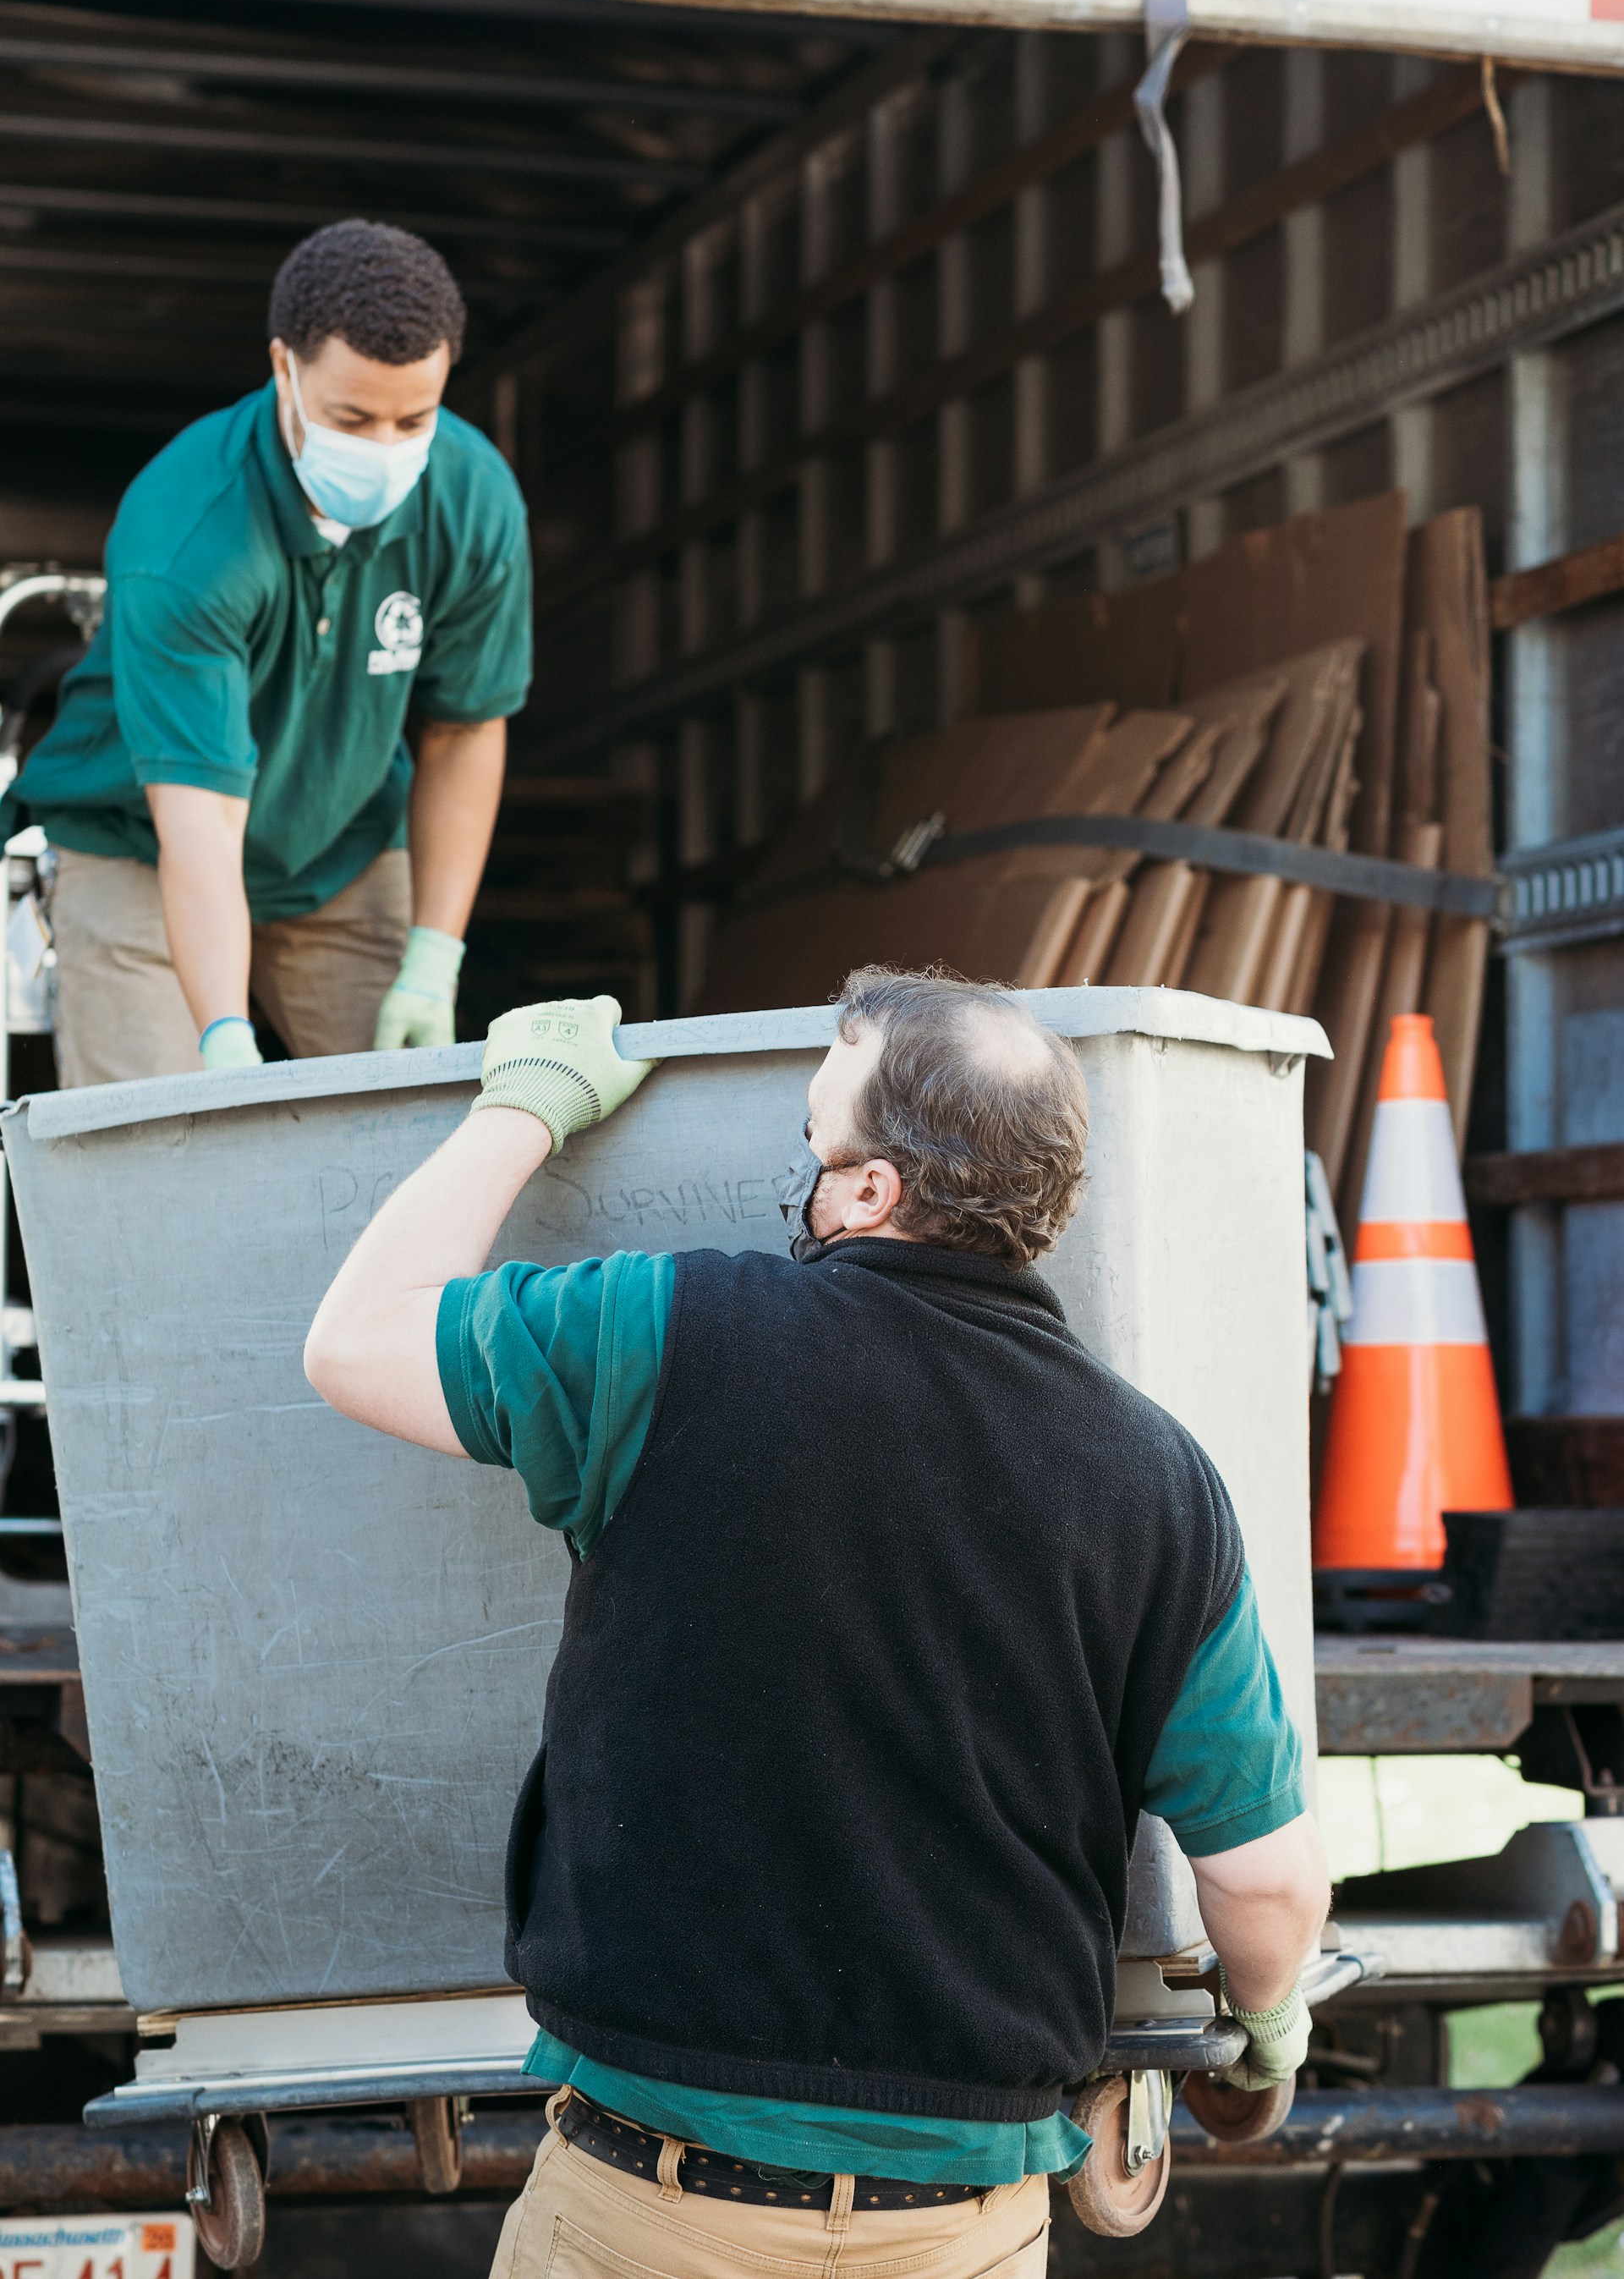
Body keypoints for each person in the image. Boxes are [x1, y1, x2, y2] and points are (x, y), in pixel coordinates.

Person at [304, 969, 1330, 2279]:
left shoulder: (662, 1333)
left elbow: (353, 1343)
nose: (800, 1167)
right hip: (962, 2237)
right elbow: (1266, 1881)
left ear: (869, 1192)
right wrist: (1268, 2023)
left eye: (812, 1136)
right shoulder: (1160, 1483)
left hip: (649, 2216)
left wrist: (526, 1108)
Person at [8, 218, 531, 1087]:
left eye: (415, 417)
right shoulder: (189, 534)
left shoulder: (472, 498)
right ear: (283, 365)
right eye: (352, 416)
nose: (385, 449)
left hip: (344, 848)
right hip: (143, 845)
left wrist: (434, 958)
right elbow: (203, 824)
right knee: (160, 1148)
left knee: (404, 1139)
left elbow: (463, 730)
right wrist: (222, 1033)